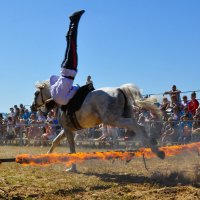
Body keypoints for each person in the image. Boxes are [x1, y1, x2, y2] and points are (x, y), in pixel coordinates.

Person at [49, 10, 85, 106]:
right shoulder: (52, 93)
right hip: (63, 69)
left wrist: (76, 87)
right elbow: (52, 77)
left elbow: (74, 91)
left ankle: (74, 21)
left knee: (73, 44)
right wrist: (60, 80)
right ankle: (70, 28)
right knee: (70, 45)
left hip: (70, 71)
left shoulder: (63, 102)